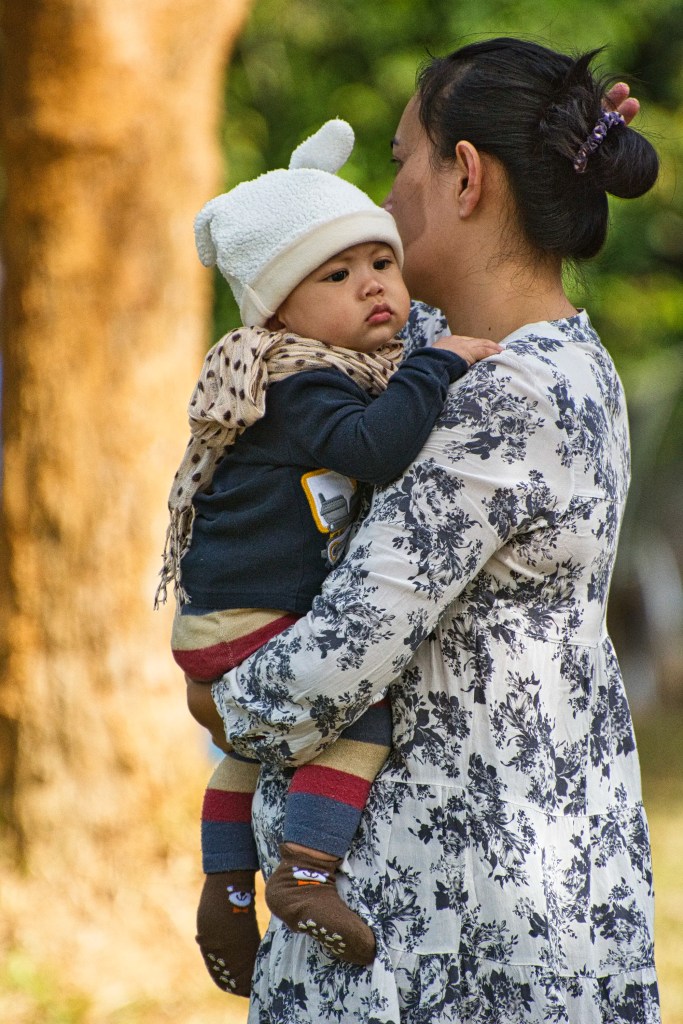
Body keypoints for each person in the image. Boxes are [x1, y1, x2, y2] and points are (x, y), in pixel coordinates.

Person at [191, 38, 662, 1024]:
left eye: (402, 160)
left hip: (437, 920)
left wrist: (221, 694)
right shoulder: (543, 359)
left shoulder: (504, 398)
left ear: (465, 175)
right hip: (498, 882)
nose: (383, 203)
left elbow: (339, 654)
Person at [156, 119, 501, 996]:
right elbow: (375, 450)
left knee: (248, 752)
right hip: (253, 621)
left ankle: (226, 882)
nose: (374, 290)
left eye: (379, 264)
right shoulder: (297, 380)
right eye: (336, 277)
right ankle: (305, 873)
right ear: (276, 309)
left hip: (221, 620)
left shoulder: (299, 367)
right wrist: (434, 366)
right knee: (360, 716)